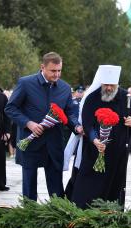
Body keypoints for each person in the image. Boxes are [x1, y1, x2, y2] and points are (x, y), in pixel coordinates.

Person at [5, 52, 82, 201]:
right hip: (30, 141)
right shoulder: (25, 83)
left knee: (56, 187)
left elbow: (70, 113)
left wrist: (77, 127)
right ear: (42, 67)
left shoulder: (65, 88)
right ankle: (29, 215)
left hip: (54, 143)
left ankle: (57, 215)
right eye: (53, 71)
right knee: (29, 184)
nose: (57, 74)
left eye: (59, 70)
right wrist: (29, 123)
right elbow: (11, 108)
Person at [65, 65, 131, 209]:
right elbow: (88, 124)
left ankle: (111, 212)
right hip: (94, 151)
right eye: (106, 85)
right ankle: (84, 212)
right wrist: (95, 141)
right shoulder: (92, 98)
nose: (109, 88)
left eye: (112, 85)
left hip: (117, 152)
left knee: (114, 185)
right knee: (89, 184)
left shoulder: (125, 97)